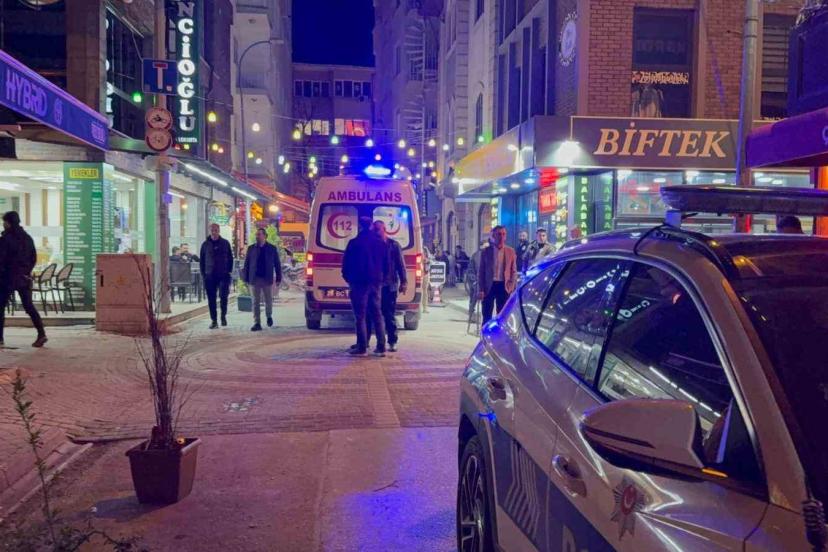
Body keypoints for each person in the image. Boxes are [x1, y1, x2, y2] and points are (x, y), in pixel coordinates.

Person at [0, 211, 47, 348]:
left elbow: (1, 259)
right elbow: (34, 258)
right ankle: (41, 334)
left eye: (4, 222)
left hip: (7, 278)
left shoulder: (5, 239)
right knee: (29, 306)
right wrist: (26, 272)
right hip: (23, 278)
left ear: (8, 223)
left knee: (0, 307)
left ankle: (0, 339)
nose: (3, 224)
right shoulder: (27, 238)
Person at [342, 216, 387, 357]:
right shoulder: (380, 243)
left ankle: (362, 347)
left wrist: (349, 279)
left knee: (360, 316)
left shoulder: (354, 243)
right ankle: (381, 347)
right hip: (375, 283)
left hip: (358, 283)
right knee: (377, 315)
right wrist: (382, 279)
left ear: (360, 225)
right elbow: (386, 264)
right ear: (370, 226)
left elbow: (346, 263)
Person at [363, 221, 407, 352]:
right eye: (374, 230)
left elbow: (400, 265)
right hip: (374, 285)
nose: (375, 233)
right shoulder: (371, 246)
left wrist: (404, 282)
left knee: (388, 315)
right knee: (369, 315)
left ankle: (392, 341)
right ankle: (365, 342)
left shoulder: (393, 245)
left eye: (378, 230)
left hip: (389, 286)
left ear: (384, 229)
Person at [242, 228, 282, 331]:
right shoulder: (251, 249)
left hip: (266, 278)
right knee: (255, 301)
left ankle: (269, 316)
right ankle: (257, 322)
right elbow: (247, 264)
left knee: (268, 300)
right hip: (254, 278)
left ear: (265, 236)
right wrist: (245, 278)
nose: (257, 236)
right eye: (256, 235)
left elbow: (277, 264)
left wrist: (278, 278)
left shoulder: (271, 249)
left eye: (259, 234)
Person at [477, 226, 518, 325]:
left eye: (504, 234)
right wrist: (481, 289)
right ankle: (485, 333)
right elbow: (481, 272)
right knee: (486, 314)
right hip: (489, 286)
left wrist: (511, 287)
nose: (501, 237)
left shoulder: (510, 251)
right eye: (499, 234)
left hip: (503, 286)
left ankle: (499, 334)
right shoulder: (486, 252)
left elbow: (513, 271)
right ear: (493, 236)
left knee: (502, 315)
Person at [199, 224, 234, 329]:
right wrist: (204, 274)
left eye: (216, 230)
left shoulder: (225, 243)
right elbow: (202, 261)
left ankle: (223, 316)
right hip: (210, 275)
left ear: (219, 231)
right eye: (212, 230)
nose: (214, 232)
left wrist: (229, 271)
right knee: (211, 298)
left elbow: (230, 258)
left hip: (223, 275)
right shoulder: (205, 245)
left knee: (223, 296)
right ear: (210, 231)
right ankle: (214, 320)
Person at [466, 240, 489, 320]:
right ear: (481, 246)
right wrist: (475, 281)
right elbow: (471, 270)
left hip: (483, 282)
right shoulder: (476, 256)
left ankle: (483, 317)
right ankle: (471, 315)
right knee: (474, 299)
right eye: (486, 246)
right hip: (476, 281)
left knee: (484, 300)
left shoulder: (489, 255)